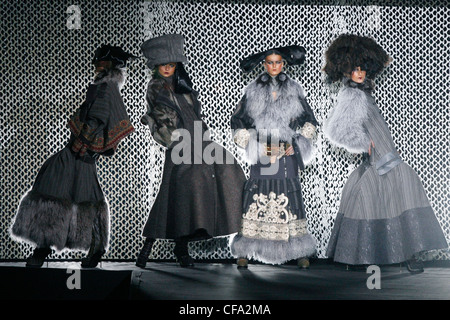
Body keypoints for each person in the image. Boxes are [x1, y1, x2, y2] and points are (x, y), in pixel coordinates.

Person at [322, 34, 448, 272]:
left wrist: (375, 58)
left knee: (389, 200)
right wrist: (362, 143)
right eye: (355, 69)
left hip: (386, 155)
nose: (360, 73)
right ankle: (404, 255)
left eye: (363, 69)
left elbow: (383, 64)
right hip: (381, 156)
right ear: (347, 70)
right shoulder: (353, 94)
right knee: (389, 199)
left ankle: (391, 255)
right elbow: (337, 130)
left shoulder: (362, 91)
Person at [10, 45, 136, 268]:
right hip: (79, 148)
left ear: (112, 64)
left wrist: (83, 143)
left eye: (103, 60)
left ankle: (71, 248)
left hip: (82, 150)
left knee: (76, 194)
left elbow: (99, 117)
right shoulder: (104, 85)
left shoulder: (106, 87)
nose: (97, 63)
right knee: (62, 189)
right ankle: (46, 245)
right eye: (97, 59)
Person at [136, 34, 246, 268]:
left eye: (171, 65)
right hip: (180, 144)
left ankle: (187, 245)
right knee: (174, 196)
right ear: (156, 67)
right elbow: (160, 118)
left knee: (229, 170)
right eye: (163, 65)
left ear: (176, 66)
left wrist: (203, 137)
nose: (167, 68)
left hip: (199, 141)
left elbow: (195, 116)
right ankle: (154, 249)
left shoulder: (184, 86)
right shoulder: (155, 87)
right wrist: (177, 141)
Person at [229, 45, 318, 268]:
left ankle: (299, 251)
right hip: (263, 152)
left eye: (278, 62)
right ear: (264, 64)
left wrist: (296, 143)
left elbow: (310, 121)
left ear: (284, 63)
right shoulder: (252, 90)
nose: (274, 66)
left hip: (286, 152)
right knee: (257, 193)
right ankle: (245, 250)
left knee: (289, 192)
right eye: (270, 62)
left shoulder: (295, 89)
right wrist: (254, 143)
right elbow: (238, 121)